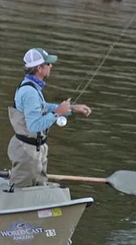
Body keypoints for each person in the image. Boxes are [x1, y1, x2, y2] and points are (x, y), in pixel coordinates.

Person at [7, 47, 92, 188]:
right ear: (39, 68)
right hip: (27, 151)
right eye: (48, 64)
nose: (51, 66)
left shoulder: (33, 87)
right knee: (20, 192)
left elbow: (43, 106)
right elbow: (33, 126)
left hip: (36, 149)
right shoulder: (30, 92)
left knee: (39, 188)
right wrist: (57, 113)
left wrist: (71, 108)